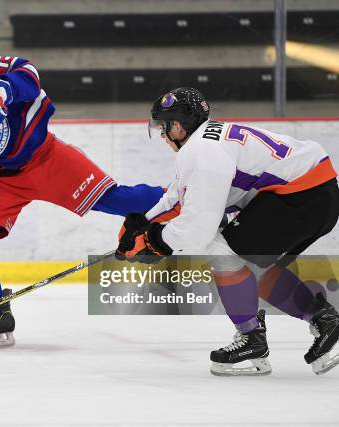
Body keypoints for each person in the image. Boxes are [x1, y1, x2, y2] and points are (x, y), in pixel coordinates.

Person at [0, 43, 164, 348]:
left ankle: (185, 197)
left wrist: (1, 91)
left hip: (45, 157)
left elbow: (26, 70)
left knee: (117, 200)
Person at [115, 87, 339, 375]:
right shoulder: (208, 139)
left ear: (178, 126)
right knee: (250, 269)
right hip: (315, 193)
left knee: (222, 253)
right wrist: (142, 223)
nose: (162, 134)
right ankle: (323, 320)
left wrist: (153, 241)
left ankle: (252, 341)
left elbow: (197, 229)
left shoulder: (201, 152)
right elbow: (179, 199)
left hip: (299, 196)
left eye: (164, 126)